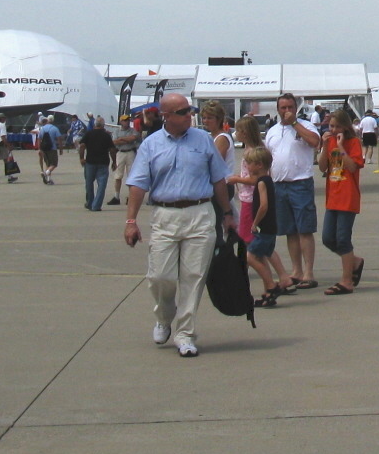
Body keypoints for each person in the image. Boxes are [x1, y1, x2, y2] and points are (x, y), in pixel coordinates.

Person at [123, 92, 232, 357]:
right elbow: (138, 183)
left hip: (200, 213)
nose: (190, 116)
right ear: (167, 116)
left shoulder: (204, 140)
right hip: (165, 214)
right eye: (183, 112)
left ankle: (185, 334)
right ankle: (164, 315)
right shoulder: (151, 144)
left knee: (193, 277)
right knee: (160, 276)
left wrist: (227, 213)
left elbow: (219, 179)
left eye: (190, 111)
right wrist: (131, 220)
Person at [265, 92, 321, 290]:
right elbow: (267, 157)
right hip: (279, 184)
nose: (286, 111)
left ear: (295, 108)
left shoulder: (306, 126)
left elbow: (315, 142)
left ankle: (308, 272)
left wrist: (295, 123)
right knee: (289, 230)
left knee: (304, 228)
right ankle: (296, 270)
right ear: (278, 109)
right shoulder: (272, 131)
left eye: (290, 107)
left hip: (300, 183)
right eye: (283, 108)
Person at [318, 110, 366, 295]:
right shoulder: (329, 142)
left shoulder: (353, 143)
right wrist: (324, 146)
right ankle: (354, 261)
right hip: (333, 196)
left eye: (338, 126)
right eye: (331, 126)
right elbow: (322, 167)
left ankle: (347, 281)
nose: (334, 129)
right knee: (328, 238)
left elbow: (353, 166)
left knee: (343, 238)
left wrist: (341, 148)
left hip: (348, 196)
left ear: (346, 127)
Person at [238, 147, 285, 307]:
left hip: (264, 229)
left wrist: (255, 223)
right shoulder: (267, 180)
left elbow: (263, 205)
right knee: (261, 256)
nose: (248, 167)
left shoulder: (262, 183)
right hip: (270, 228)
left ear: (259, 165)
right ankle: (268, 292)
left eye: (249, 164)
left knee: (250, 257)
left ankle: (272, 285)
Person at [79, 115, 114, 210]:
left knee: (89, 183)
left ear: (94, 125)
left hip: (90, 162)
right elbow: (112, 149)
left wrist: (81, 158)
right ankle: (96, 205)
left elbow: (82, 146)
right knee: (102, 185)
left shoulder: (89, 133)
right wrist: (114, 162)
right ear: (103, 125)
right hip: (103, 162)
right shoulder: (107, 135)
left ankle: (90, 202)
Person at [107, 114, 140, 206]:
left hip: (130, 152)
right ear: (121, 121)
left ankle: (131, 197)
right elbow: (114, 142)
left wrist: (121, 139)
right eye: (125, 120)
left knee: (131, 175)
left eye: (128, 120)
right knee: (118, 175)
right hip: (120, 152)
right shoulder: (116, 131)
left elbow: (133, 138)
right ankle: (116, 196)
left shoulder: (133, 131)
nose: (127, 122)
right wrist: (125, 140)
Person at [36, 113, 61, 185]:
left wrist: (39, 148)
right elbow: (59, 139)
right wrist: (61, 148)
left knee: (47, 163)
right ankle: (46, 173)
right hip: (52, 148)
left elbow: (39, 139)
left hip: (44, 149)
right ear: (53, 120)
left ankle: (49, 180)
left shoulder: (42, 128)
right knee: (54, 164)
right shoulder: (55, 128)